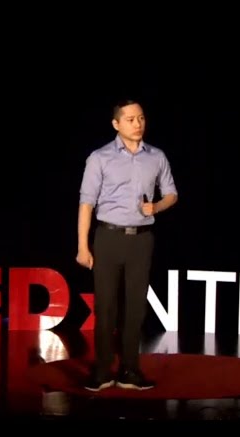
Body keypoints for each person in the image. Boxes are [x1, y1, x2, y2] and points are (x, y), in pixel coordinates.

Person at [76, 99, 178, 391]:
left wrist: (156, 207)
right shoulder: (100, 157)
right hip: (108, 238)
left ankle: (130, 370)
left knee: (135, 308)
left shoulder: (156, 157)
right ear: (116, 124)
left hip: (142, 240)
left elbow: (171, 194)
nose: (138, 124)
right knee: (106, 307)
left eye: (141, 118)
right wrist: (82, 247)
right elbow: (86, 203)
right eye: (131, 119)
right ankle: (102, 370)